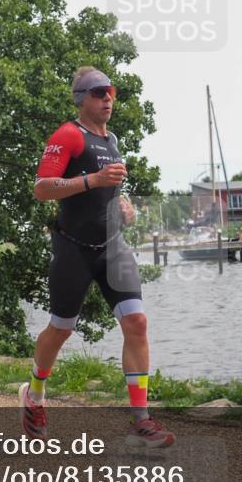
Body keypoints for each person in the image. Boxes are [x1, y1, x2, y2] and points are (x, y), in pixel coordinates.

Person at [24, 66, 175, 448]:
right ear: (81, 99)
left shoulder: (113, 139)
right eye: (98, 92)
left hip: (112, 246)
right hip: (73, 248)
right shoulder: (68, 135)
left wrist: (122, 204)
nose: (108, 97)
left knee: (137, 322)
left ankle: (141, 420)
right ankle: (35, 395)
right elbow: (42, 188)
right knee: (61, 328)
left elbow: (107, 192)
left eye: (112, 91)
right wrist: (92, 180)